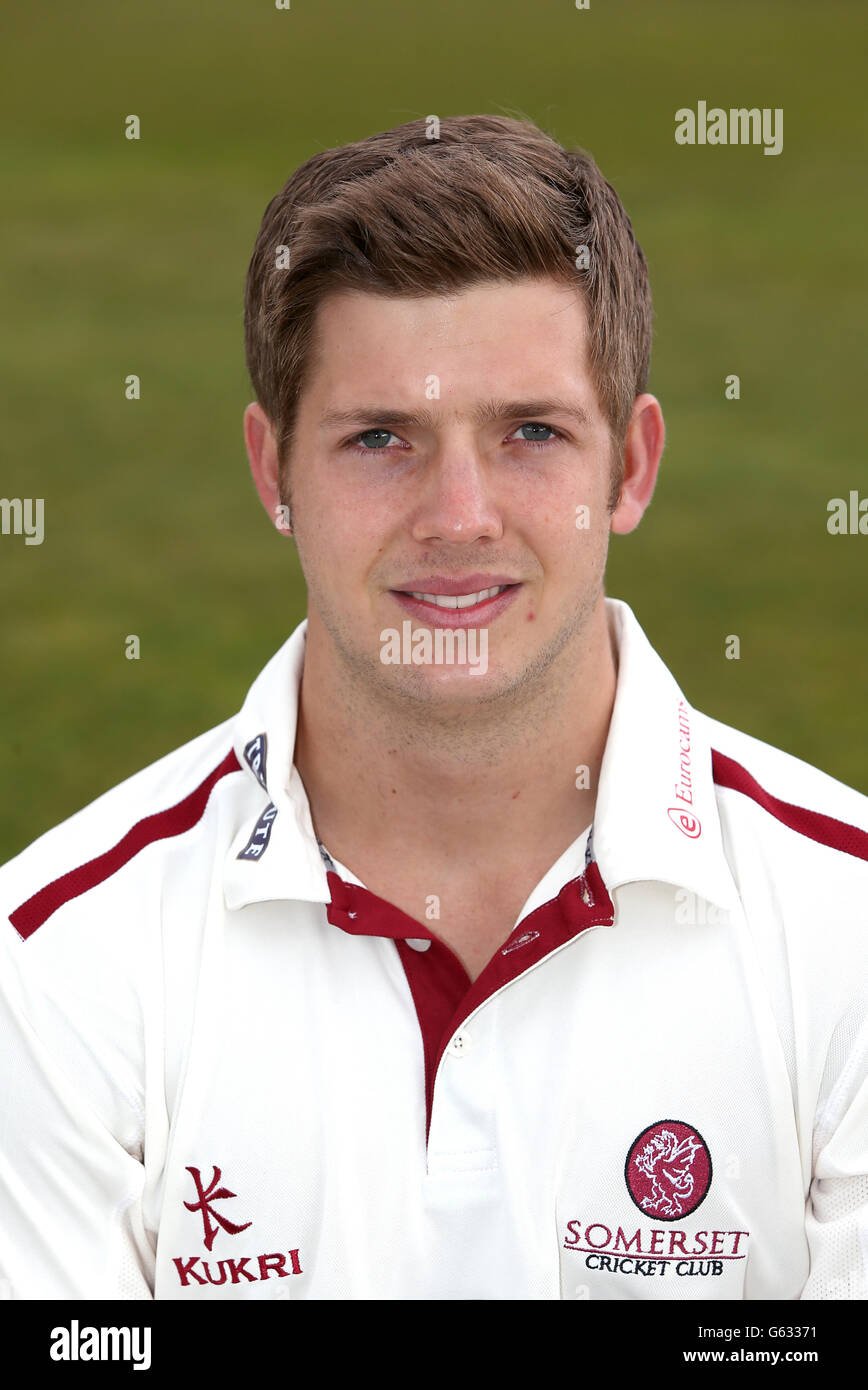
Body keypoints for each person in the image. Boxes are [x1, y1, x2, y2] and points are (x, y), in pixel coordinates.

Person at [1, 114, 865, 1302]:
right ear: (273, 473)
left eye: (528, 433)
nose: (458, 515)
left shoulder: (847, 933)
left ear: (630, 467)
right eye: (378, 438)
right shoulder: (52, 961)